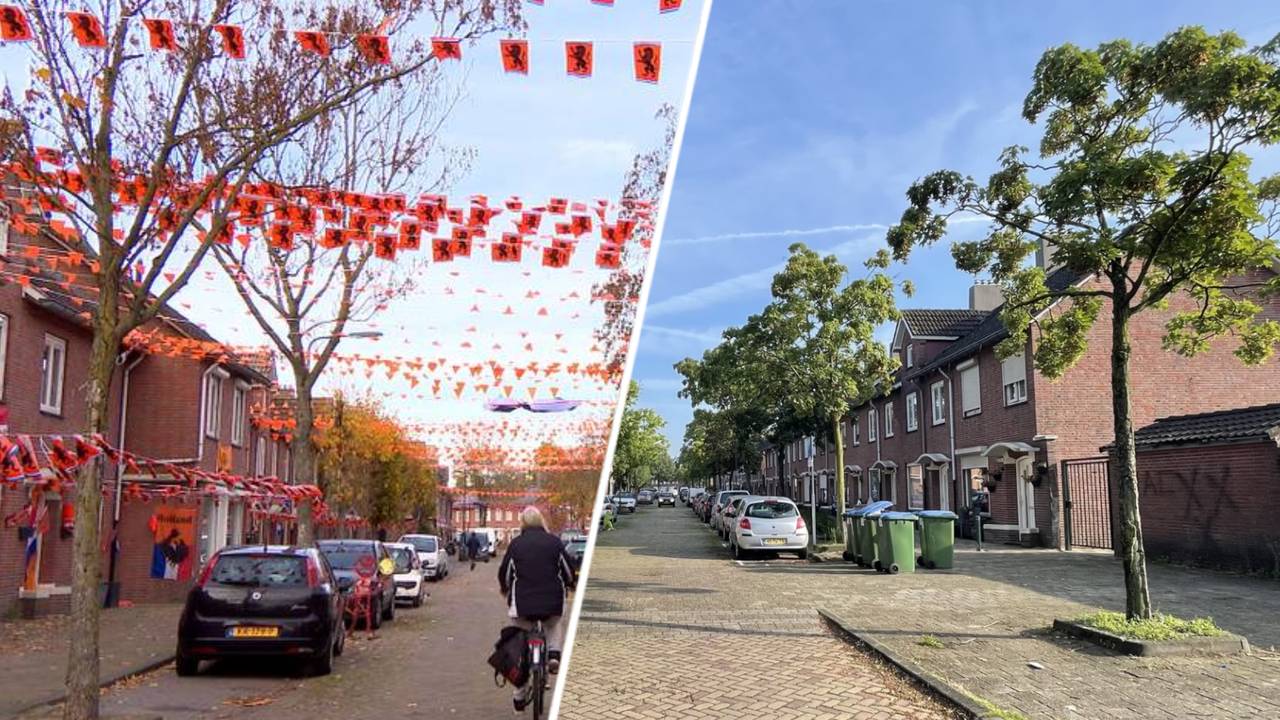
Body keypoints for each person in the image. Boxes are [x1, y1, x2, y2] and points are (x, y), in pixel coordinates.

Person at [498, 507, 577, 712]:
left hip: (522, 606)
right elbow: (568, 571)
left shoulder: (516, 545)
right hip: (552, 602)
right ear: (541, 521)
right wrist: (571, 584)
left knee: (520, 644)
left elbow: (505, 574)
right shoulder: (554, 542)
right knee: (554, 624)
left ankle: (519, 696)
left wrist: (505, 590)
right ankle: (553, 655)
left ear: (523, 522)